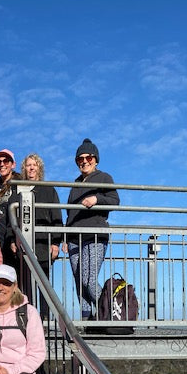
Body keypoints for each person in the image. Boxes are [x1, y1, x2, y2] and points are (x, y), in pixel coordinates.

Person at [63, 138, 120, 321]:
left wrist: (97, 199)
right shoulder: (75, 184)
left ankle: (114, 313)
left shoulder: (104, 177)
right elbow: (69, 213)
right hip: (73, 239)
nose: (84, 161)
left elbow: (114, 200)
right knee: (80, 283)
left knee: (89, 281)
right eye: (80, 158)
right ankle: (87, 320)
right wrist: (65, 237)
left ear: (96, 159)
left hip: (95, 235)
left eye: (89, 157)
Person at [20, 153, 63, 317]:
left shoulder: (49, 189)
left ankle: (44, 320)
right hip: (24, 244)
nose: (31, 168)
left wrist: (56, 243)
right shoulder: (19, 189)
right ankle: (29, 320)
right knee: (26, 287)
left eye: (34, 165)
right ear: (24, 168)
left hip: (44, 244)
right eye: (28, 165)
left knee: (44, 285)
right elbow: (13, 215)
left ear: (39, 168)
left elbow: (57, 217)